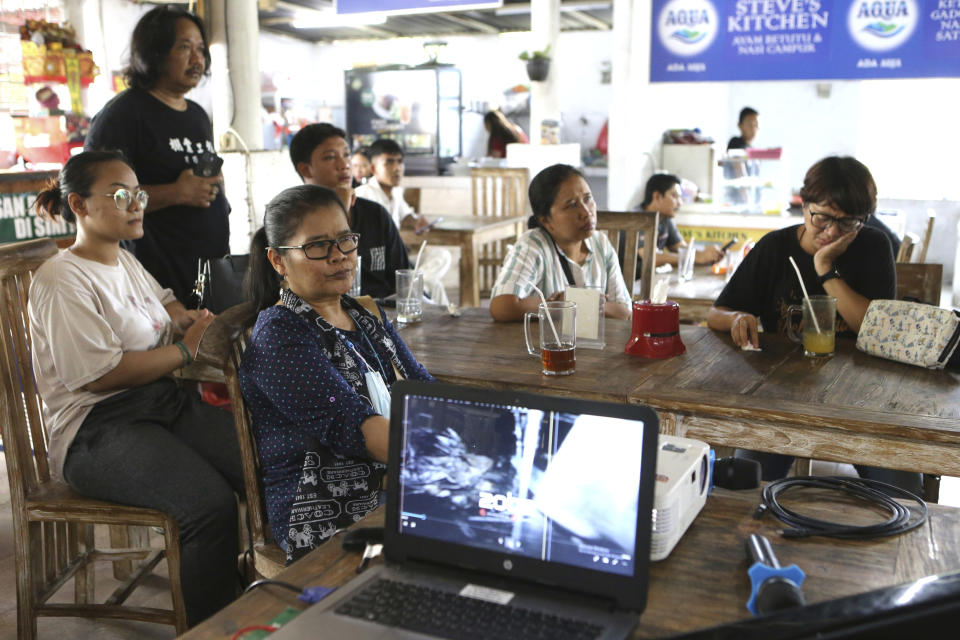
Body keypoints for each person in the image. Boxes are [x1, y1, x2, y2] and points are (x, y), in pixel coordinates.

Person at [28, 150, 244, 626]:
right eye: (120, 195)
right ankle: (212, 629)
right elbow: (101, 375)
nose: (136, 203)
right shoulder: (63, 279)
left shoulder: (124, 260)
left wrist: (190, 319)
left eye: (138, 194)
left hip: (159, 403)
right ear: (79, 205)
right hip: (96, 429)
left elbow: (163, 306)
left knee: (263, 463)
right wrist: (187, 349)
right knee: (207, 507)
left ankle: (256, 598)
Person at [238, 184, 434, 564]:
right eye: (318, 246)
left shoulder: (363, 313)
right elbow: (355, 427)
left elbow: (421, 387)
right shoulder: (280, 334)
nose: (339, 256)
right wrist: (452, 462)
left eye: (345, 240)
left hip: (396, 482)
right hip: (327, 510)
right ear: (278, 261)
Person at [706, 156, 918, 494]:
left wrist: (825, 268)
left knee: (904, 497)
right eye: (823, 218)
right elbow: (717, 312)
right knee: (744, 487)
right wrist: (736, 317)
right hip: (783, 401)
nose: (832, 231)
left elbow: (875, 330)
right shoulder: (775, 248)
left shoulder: (873, 246)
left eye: (848, 222)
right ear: (804, 205)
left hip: (863, 403)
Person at [85, 6, 228, 306]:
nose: (197, 58)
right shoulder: (123, 115)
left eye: (201, 49)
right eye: (184, 47)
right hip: (155, 281)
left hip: (209, 272)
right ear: (155, 52)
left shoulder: (197, 115)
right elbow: (96, 198)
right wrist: (176, 193)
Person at [489, 164, 632, 322]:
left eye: (587, 198)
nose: (586, 212)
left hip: (593, 345)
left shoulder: (600, 244)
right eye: (571, 205)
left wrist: (583, 302)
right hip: (543, 344)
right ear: (546, 220)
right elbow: (501, 306)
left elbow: (624, 311)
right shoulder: (534, 244)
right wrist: (558, 306)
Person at [289, 123, 410, 299]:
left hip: (381, 316)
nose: (344, 165)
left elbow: (403, 278)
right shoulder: (294, 220)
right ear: (306, 169)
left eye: (346, 155)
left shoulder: (376, 215)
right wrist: (338, 209)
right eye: (330, 157)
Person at [641, 173, 723, 270]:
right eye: (675, 196)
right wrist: (696, 257)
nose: (680, 202)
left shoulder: (665, 219)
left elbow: (681, 248)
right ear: (657, 196)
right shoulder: (636, 219)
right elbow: (649, 257)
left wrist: (706, 254)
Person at [355, 138, 428, 231]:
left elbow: (405, 214)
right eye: (389, 162)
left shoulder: (396, 192)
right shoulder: (361, 196)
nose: (397, 168)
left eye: (400, 161)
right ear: (373, 168)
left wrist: (417, 222)